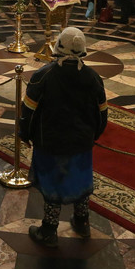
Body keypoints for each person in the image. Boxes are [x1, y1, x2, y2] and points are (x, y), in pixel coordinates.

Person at [20, 27, 108, 247]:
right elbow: (102, 113)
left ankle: (49, 230)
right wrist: (92, 136)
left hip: (50, 142)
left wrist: (25, 134)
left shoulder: (44, 76)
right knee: (80, 181)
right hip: (81, 143)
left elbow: (28, 111)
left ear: (58, 46)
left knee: (52, 185)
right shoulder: (93, 77)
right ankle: (82, 223)